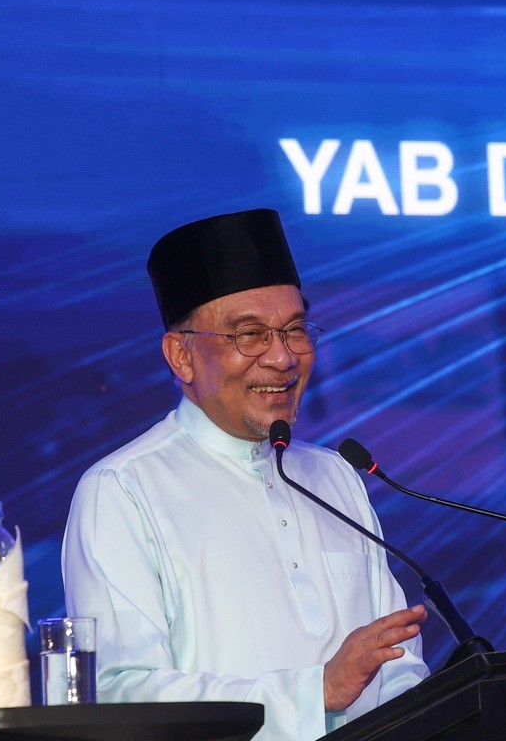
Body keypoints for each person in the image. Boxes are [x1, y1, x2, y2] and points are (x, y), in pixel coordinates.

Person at [62, 209, 429, 740]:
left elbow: (395, 663)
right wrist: (315, 693)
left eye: (295, 330)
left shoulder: (334, 476)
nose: (282, 358)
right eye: (250, 335)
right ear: (181, 356)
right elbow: (122, 695)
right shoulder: (123, 489)